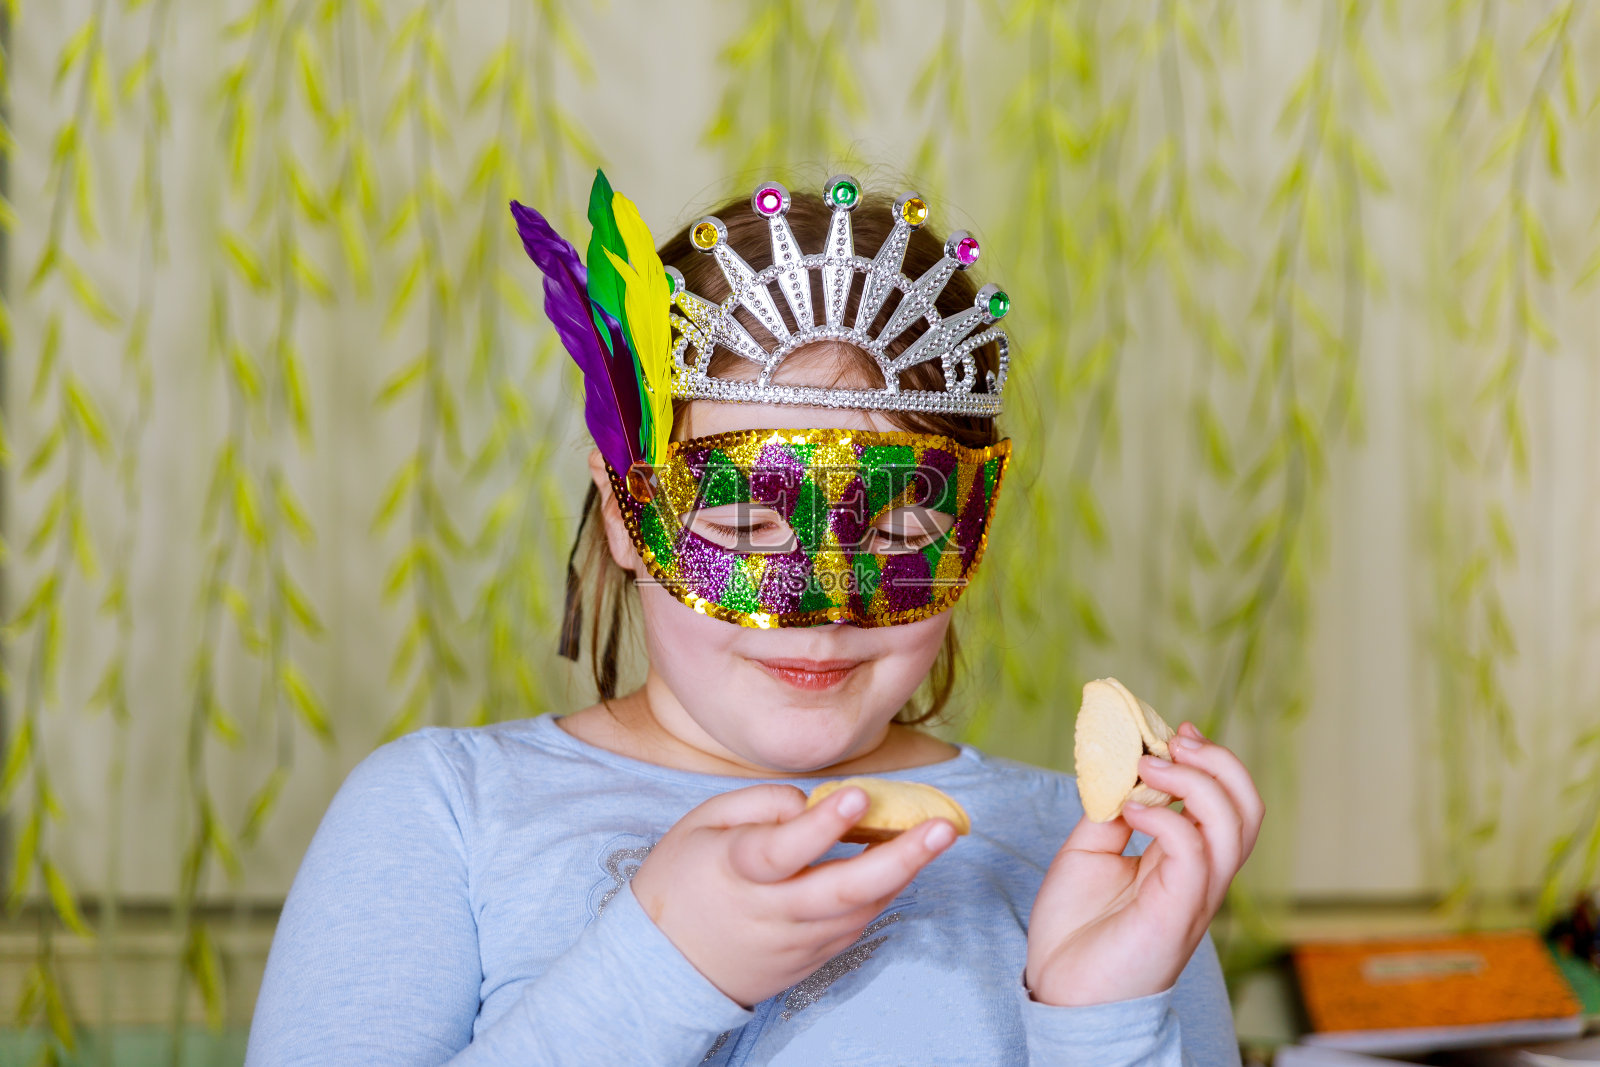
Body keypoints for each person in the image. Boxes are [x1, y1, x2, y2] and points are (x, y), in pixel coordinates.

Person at [244, 169, 1262, 1066]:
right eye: (744, 514)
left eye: (902, 518)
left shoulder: (1098, 854)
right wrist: (661, 967)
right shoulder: (442, 815)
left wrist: (1100, 1023)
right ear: (623, 513)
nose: (819, 613)